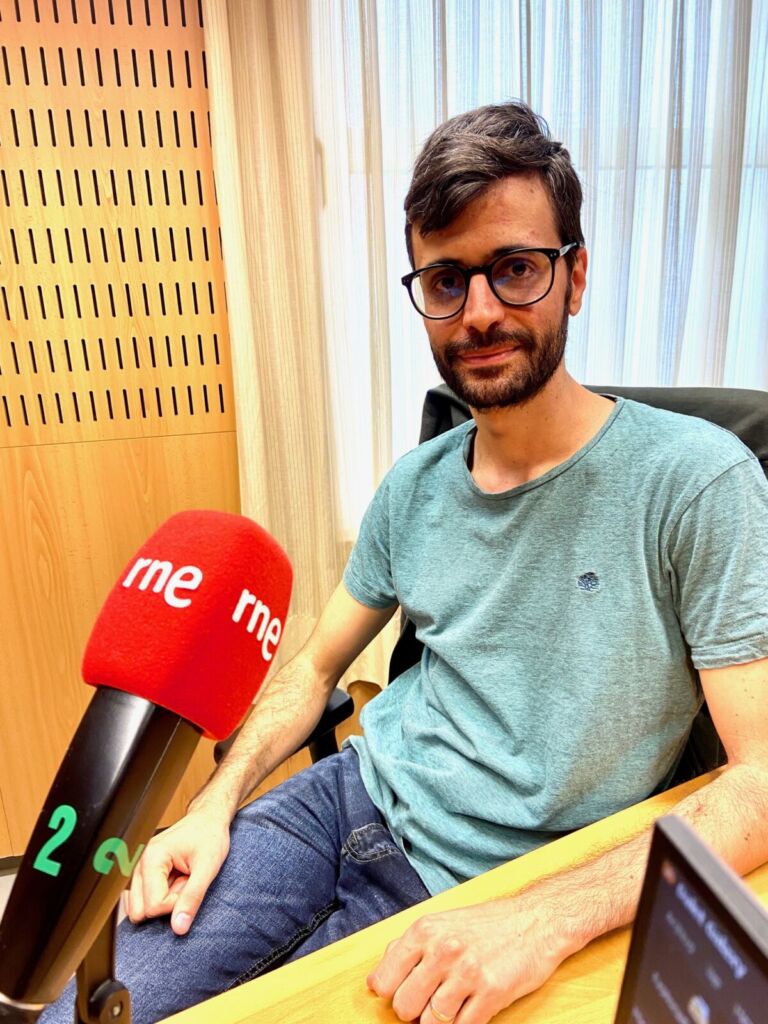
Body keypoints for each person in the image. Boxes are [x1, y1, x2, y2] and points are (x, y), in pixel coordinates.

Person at [42, 101, 768, 1024]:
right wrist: (213, 803)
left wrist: (542, 917)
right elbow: (313, 669)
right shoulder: (415, 486)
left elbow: (761, 777)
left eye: (516, 268)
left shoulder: (696, 481)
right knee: (86, 1008)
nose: (480, 313)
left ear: (575, 276)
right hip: (344, 800)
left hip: (501, 882)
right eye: (446, 280)